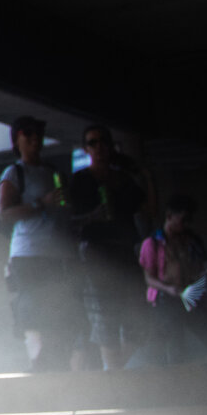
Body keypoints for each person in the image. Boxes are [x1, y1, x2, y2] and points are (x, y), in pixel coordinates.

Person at [0, 116, 85, 372]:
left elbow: (64, 211)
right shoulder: (14, 172)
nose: (35, 140)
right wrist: (41, 204)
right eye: (28, 135)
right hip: (29, 252)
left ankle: (52, 366)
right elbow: (4, 213)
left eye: (38, 135)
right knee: (38, 312)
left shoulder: (52, 171)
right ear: (17, 140)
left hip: (58, 252)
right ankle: (40, 367)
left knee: (63, 312)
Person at [73, 124, 152, 371]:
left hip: (124, 251)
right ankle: (112, 371)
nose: (99, 147)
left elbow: (149, 211)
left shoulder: (123, 179)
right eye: (92, 142)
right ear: (86, 148)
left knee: (139, 316)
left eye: (103, 141)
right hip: (96, 252)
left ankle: (114, 369)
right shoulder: (81, 180)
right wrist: (92, 217)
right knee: (105, 314)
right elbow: (67, 221)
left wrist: (145, 175)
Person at [138, 194, 207, 364]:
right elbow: (148, 278)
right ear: (169, 216)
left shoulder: (192, 241)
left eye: (188, 220)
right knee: (176, 350)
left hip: (191, 297)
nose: (186, 224)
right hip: (167, 302)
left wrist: (201, 286)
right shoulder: (153, 243)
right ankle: (179, 386)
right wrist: (168, 288)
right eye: (183, 220)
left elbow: (201, 268)